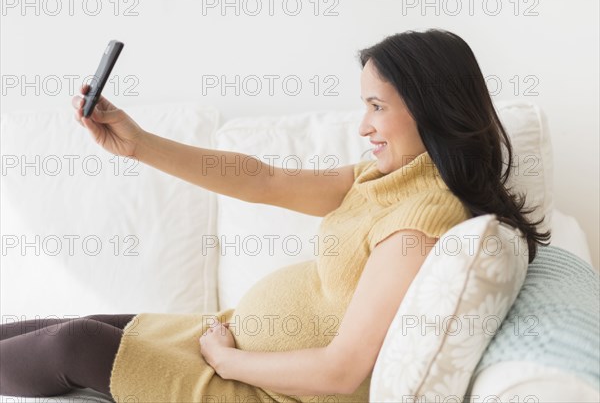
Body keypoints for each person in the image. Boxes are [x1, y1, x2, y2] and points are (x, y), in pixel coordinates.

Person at [0, 28, 550, 402]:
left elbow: (342, 371)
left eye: (376, 107)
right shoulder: (382, 181)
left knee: (69, 345)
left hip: (256, 389)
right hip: (227, 343)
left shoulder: (420, 222)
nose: (363, 126)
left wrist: (225, 361)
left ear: (432, 110)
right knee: (57, 327)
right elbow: (263, 180)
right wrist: (137, 143)